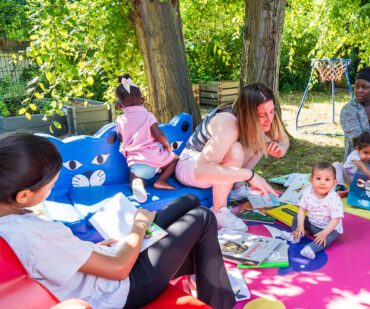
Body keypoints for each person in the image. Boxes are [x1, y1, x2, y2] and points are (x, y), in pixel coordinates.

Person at [0, 132, 235, 309]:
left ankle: (209, 282)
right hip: (119, 290)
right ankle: (220, 302)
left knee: (189, 200)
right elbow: (119, 269)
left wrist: (92, 249)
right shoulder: (34, 233)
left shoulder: (12, 223)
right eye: (50, 186)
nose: (51, 190)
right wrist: (139, 226)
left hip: (103, 267)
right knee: (202, 217)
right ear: (23, 195)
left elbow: (54, 259)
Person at [175, 83, 288, 231]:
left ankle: (236, 189)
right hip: (190, 165)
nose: (269, 119)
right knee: (236, 149)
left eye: (272, 112)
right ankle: (219, 211)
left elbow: (283, 139)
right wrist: (250, 175)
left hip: (211, 166)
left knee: (260, 139)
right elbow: (201, 171)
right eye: (261, 115)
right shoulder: (228, 125)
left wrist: (280, 149)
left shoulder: (266, 112)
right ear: (248, 114)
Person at [114, 74, 179, 203]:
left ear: (118, 106)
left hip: (134, 162)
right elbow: (158, 134)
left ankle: (137, 184)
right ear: (142, 100)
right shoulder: (148, 115)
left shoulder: (120, 120)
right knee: (175, 159)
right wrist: (167, 146)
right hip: (153, 157)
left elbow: (121, 139)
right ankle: (161, 180)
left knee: (134, 174)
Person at [282, 162, 344, 260]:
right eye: (318, 178)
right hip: (312, 224)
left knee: (328, 238)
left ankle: (311, 248)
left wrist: (324, 233)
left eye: (327, 179)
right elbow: (302, 210)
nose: (322, 183)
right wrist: (300, 226)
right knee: (296, 217)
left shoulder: (334, 198)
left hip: (329, 229)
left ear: (334, 182)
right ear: (311, 180)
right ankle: (296, 235)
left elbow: (336, 219)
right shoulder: (307, 192)